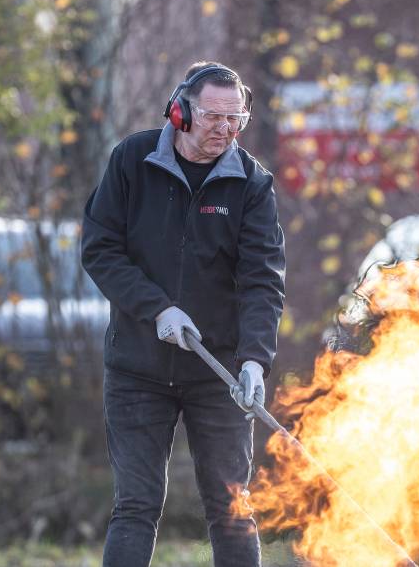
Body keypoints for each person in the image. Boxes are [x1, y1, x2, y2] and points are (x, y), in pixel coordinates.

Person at [80, 61, 286, 567]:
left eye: (234, 119)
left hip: (218, 374)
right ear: (180, 112)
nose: (223, 129)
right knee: (136, 505)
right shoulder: (132, 160)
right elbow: (100, 249)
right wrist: (157, 309)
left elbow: (262, 279)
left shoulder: (252, 183)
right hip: (137, 369)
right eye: (213, 116)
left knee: (232, 509)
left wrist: (255, 359)